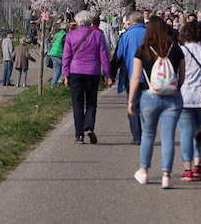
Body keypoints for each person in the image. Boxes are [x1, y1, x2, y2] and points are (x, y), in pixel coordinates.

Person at [128, 17, 185, 189]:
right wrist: (175, 88)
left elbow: (136, 78)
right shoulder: (176, 49)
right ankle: (166, 176)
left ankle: (144, 171)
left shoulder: (143, 49)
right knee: (168, 137)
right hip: (173, 98)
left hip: (149, 96)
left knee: (148, 135)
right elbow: (182, 76)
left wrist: (131, 100)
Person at [63, 10, 112, 144]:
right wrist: (108, 74)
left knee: (77, 103)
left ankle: (79, 135)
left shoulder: (70, 35)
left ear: (78, 22)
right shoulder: (97, 34)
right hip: (93, 72)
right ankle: (89, 125)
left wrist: (65, 75)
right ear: (89, 21)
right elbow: (104, 56)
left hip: (75, 71)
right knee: (91, 101)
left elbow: (66, 57)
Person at [177, 20, 201, 182]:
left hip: (185, 96)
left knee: (186, 133)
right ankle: (198, 166)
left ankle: (187, 169)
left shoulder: (180, 52)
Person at [116, 11, 147, 145]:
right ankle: (148, 134)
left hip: (131, 74)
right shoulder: (151, 34)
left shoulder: (126, 35)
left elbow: (119, 55)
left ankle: (137, 136)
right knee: (148, 106)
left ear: (130, 22)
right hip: (150, 76)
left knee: (133, 105)